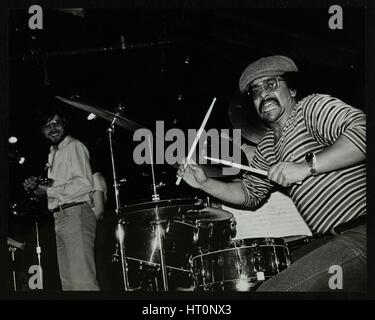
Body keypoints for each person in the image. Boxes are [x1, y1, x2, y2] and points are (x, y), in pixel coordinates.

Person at [177, 55, 366, 291]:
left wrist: (306, 167)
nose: (263, 95)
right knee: (259, 284)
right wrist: (205, 183)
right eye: (256, 91)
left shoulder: (310, 108)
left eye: (271, 85)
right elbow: (249, 193)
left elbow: (363, 132)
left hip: (361, 230)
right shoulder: (267, 146)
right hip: (332, 238)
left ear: (293, 89)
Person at [23, 106, 100, 290]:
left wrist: (47, 192)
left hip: (76, 214)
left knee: (83, 283)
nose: (53, 128)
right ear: (42, 130)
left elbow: (84, 184)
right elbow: (63, 183)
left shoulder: (74, 146)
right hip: (62, 217)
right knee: (70, 284)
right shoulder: (54, 152)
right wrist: (40, 184)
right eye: (47, 125)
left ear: (64, 123)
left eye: (56, 122)